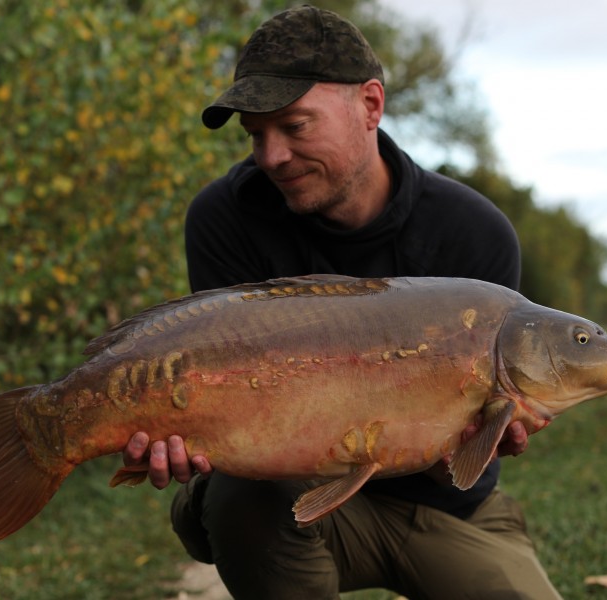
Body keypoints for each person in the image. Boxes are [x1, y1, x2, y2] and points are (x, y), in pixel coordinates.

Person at [123, 6, 562, 599]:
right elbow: (222, 403)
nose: (271, 156)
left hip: (445, 508)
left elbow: (457, 462)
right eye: (256, 134)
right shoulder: (224, 217)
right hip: (283, 501)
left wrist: (481, 434)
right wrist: (179, 426)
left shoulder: (473, 232)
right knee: (238, 499)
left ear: (371, 106)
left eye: (295, 126)